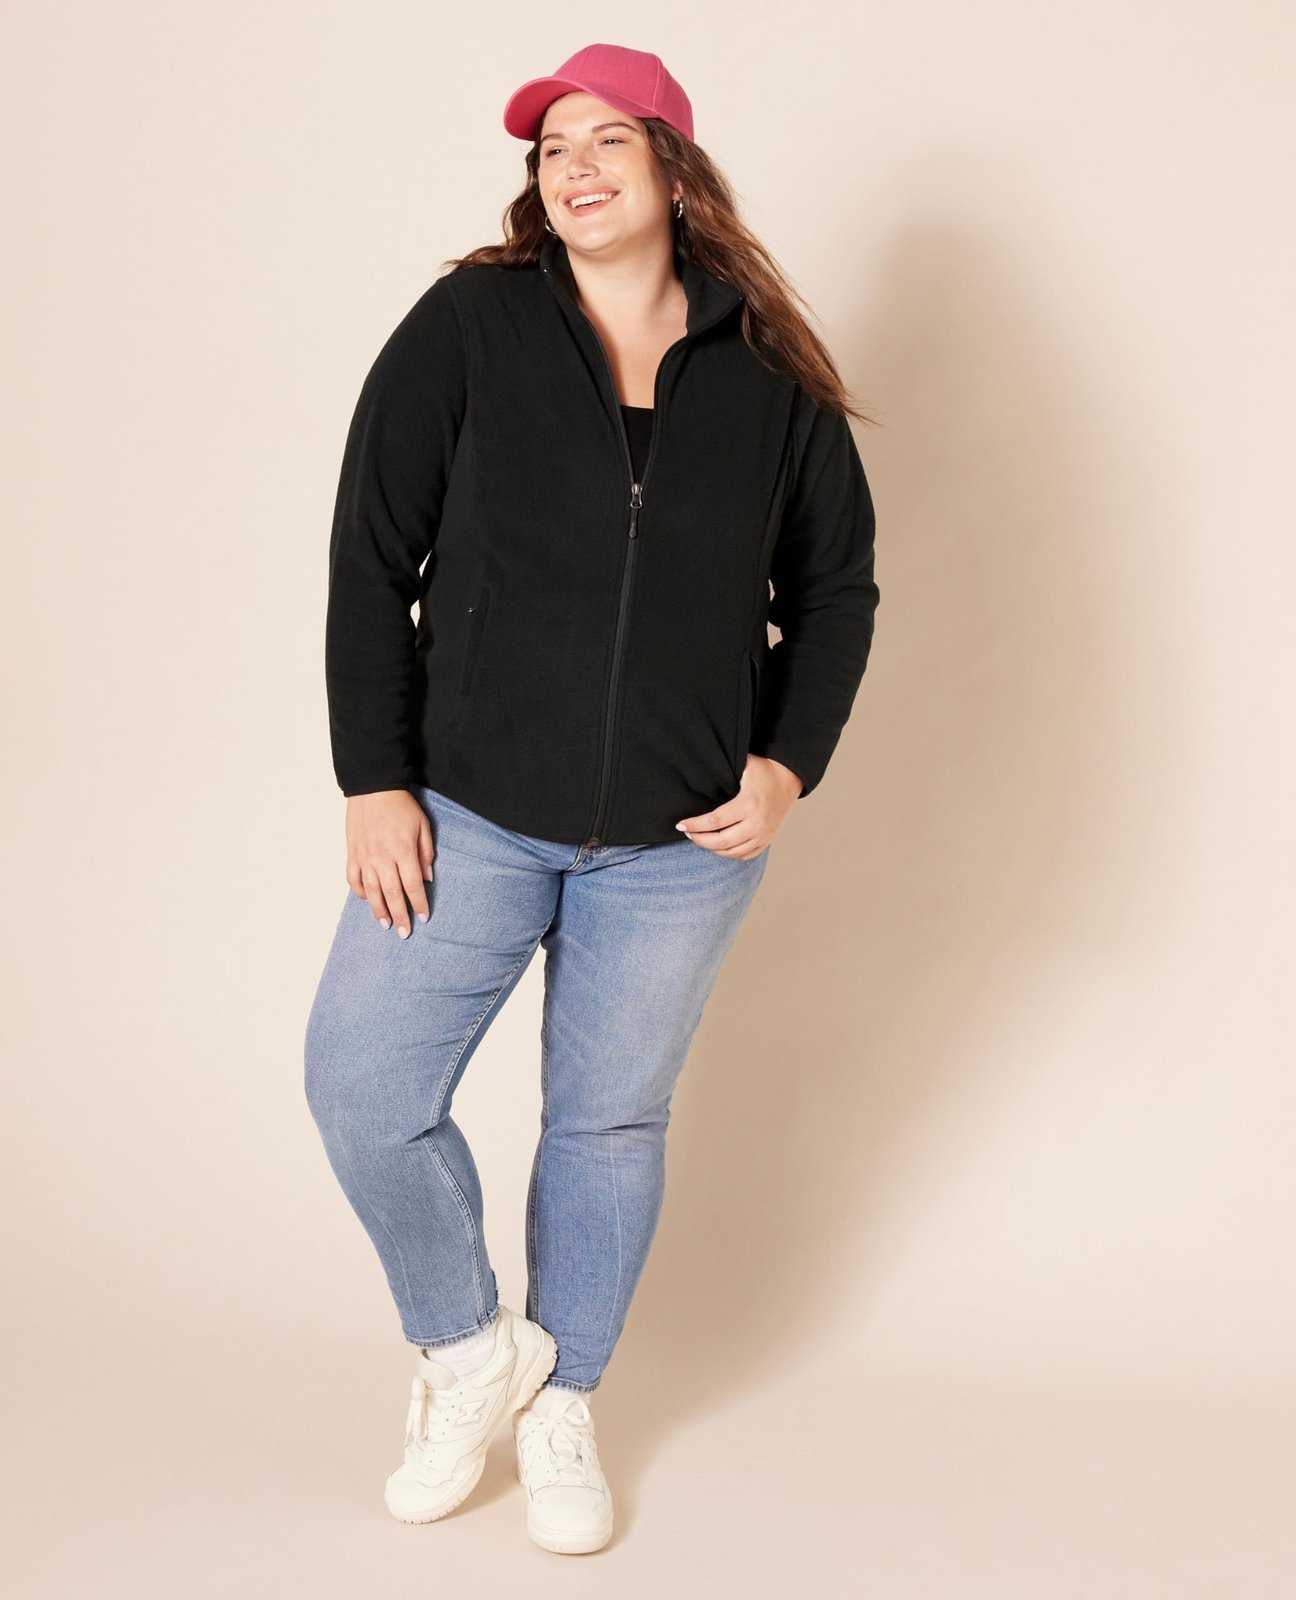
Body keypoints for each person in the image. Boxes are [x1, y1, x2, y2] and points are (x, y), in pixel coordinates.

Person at [302, 43, 879, 1556]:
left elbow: (836, 590)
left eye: (609, 139)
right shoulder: (471, 326)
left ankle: (566, 1405)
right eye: (555, 146)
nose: (576, 165)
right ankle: (470, 1353)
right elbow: (372, 556)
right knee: (364, 1085)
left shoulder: (767, 374)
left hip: (681, 845)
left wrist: (787, 764)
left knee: (607, 1124)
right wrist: (376, 777)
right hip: (472, 808)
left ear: (675, 171)